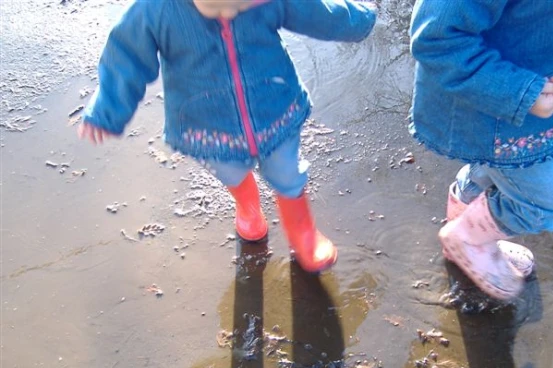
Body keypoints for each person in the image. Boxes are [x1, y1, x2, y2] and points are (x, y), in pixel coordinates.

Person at [78, 0, 377, 273]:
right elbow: (127, 56)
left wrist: (360, 18)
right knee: (230, 173)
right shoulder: (157, 9)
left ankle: (302, 232)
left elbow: (316, 12)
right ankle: (248, 207)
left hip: (274, 107)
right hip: (208, 124)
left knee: (287, 172)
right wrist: (108, 107)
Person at [409, 0, 553, 300]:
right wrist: (520, 93)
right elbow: (436, 36)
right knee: (550, 200)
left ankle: (464, 234)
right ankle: (466, 239)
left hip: (513, 109)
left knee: (488, 169)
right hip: (499, 115)